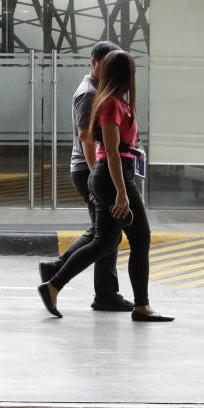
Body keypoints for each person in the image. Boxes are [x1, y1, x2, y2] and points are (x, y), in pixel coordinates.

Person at [37, 49, 173, 322]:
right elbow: (110, 151)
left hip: (112, 175)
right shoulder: (110, 104)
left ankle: (53, 284)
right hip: (113, 176)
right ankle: (141, 306)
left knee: (106, 240)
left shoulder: (117, 102)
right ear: (127, 74)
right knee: (139, 238)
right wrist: (121, 193)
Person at [37, 40, 133, 312]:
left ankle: (59, 269)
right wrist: (96, 178)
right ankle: (102, 293)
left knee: (103, 233)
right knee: (107, 236)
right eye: (108, 65)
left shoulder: (98, 90)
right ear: (94, 63)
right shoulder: (89, 94)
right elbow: (87, 138)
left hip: (92, 170)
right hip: (89, 168)